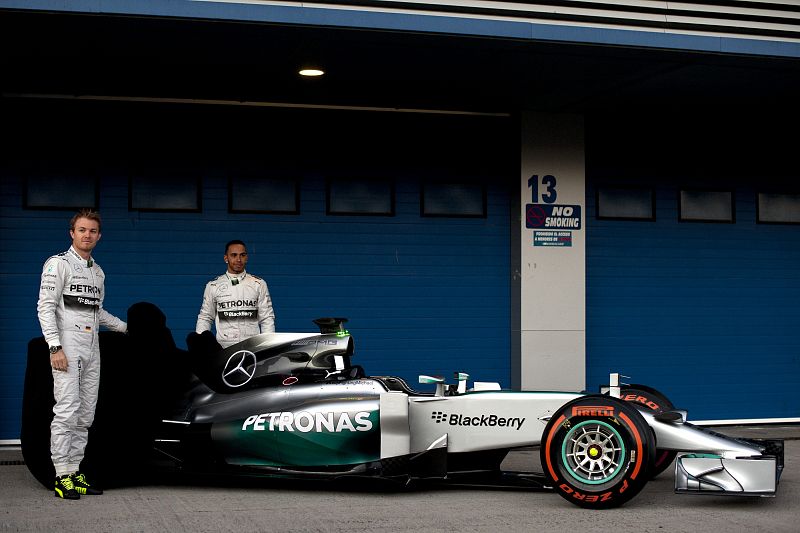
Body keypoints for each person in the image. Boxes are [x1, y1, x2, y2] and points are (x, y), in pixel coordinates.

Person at [37, 209, 127, 500]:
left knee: (85, 413)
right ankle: (61, 476)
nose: (87, 235)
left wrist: (125, 327)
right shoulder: (57, 264)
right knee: (66, 410)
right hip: (67, 347)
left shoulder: (98, 272)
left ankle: (74, 472)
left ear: (99, 236)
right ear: (72, 233)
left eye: (92, 231)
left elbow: (96, 311)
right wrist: (54, 346)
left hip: (92, 347)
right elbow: (45, 307)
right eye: (82, 230)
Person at [196, 240, 275, 348]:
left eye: (242, 255)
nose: (238, 259)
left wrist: (268, 347)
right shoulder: (213, 286)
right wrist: (200, 346)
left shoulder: (258, 284)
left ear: (246, 258)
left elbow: (267, 319)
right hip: (223, 349)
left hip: (252, 347)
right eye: (234, 255)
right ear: (226, 258)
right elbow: (205, 317)